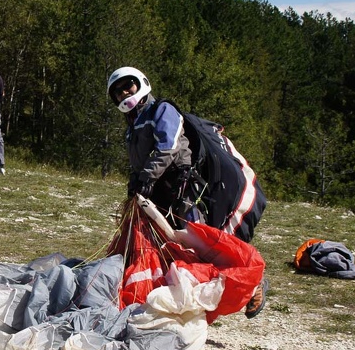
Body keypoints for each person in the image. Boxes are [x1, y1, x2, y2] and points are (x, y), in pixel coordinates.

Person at [107, 66, 267, 318]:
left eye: (128, 85)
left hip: (181, 189)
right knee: (164, 247)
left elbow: (167, 147)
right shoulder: (133, 127)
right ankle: (183, 298)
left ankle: (252, 282)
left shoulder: (161, 110)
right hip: (156, 192)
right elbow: (137, 164)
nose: (124, 92)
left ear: (141, 83)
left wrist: (146, 178)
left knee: (198, 244)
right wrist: (134, 185)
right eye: (117, 91)